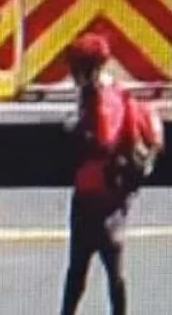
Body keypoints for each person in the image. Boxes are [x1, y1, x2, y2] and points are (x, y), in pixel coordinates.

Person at [60, 34, 131, 315]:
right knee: (115, 271)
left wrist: (73, 133)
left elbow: (100, 140)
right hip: (116, 193)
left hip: (91, 193)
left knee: (77, 268)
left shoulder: (94, 97)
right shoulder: (116, 89)